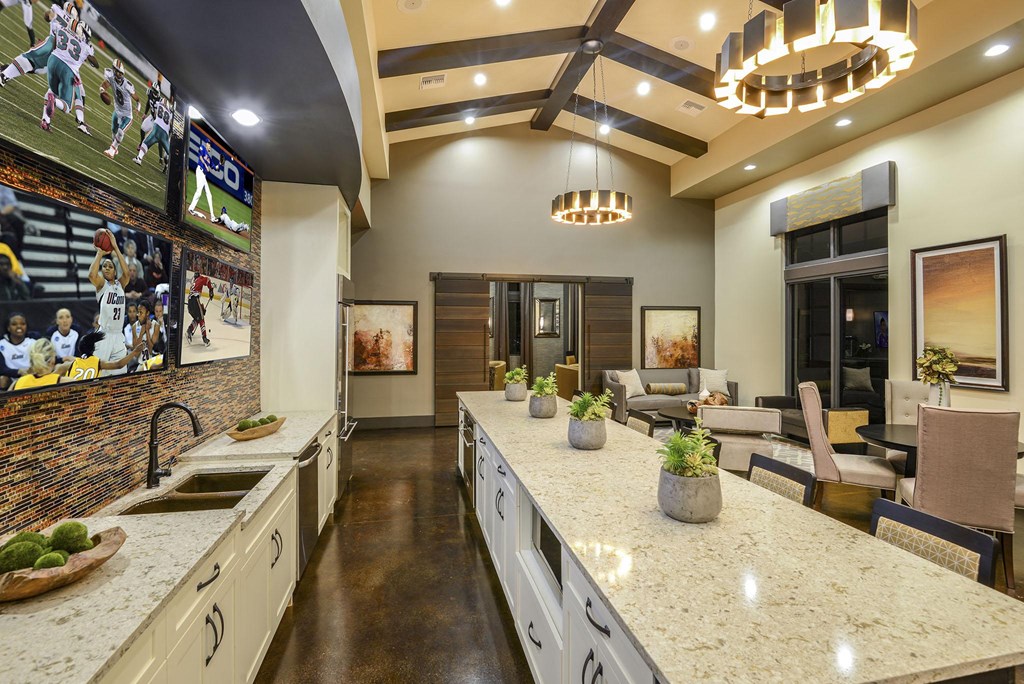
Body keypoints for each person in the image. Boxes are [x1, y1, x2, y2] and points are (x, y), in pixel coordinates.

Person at [40, 20, 97, 133]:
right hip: (68, 70)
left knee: (51, 91)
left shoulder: (61, 29)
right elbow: (95, 64)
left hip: (53, 61)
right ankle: (55, 103)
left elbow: (55, 45)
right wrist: (89, 53)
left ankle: (45, 121)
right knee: (67, 107)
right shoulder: (85, 46)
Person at [87, 227, 129, 375]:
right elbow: (91, 275)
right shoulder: (101, 285)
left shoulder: (120, 284)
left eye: (110, 266)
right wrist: (100, 253)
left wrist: (116, 247)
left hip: (118, 335)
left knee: (120, 373)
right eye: (104, 266)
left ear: (115, 272)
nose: (106, 268)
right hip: (104, 334)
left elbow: (127, 273)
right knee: (99, 373)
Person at [64, 331, 142, 382]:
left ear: (79, 349)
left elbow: (58, 369)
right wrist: (135, 351)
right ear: (93, 349)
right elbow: (119, 364)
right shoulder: (98, 363)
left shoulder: (71, 364)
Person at [100, 59, 140, 158]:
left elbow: (138, 100)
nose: (119, 74)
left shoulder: (128, 85)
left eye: (121, 73)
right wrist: (102, 90)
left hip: (127, 115)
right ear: (114, 70)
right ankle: (115, 147)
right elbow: (104, 85)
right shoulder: (110, 76)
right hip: (117, 110)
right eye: (118, 72)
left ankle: (112, 149)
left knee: (121, 131)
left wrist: (138, 108)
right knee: (114, 129)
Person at [133, 96, 171, 171]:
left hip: (157, 129)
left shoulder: (158, 104)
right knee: (169, 154)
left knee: (146, 143)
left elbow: (153, 110)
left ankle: (139, 158)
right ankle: (172, 170)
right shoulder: (170, 113)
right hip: (165, 134)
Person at [0, 311, 35, 389]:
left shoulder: (33, 342)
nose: (19, 326)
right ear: (8, 328)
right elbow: (1, 369)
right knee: (2, 380)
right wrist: (18, 372)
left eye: (22, 324)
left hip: (31, 375)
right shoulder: (1, 344)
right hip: (12, 377)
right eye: (14, 324)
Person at [186, 140, 220, 220]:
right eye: (209, 144)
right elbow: (200, 156)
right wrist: (205, 165)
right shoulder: (203, 148)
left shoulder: (210, 159)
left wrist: (219, 164)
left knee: (209, 195)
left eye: (210, 145)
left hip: (203, 176)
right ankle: (191, 208)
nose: (210, 146)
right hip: (200, 171)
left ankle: (212, 216)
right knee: (199, 191)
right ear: (206, 144)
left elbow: (215, 168)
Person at [185, 268, 214, 347]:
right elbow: (208, 280)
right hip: (194, 300)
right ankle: (205, 339)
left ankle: (189, 330)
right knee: (201, 319)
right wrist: (211, 290)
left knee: (197, 318)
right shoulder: (200, 279)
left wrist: (201, 308)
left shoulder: (193, 283)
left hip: (190, 303)